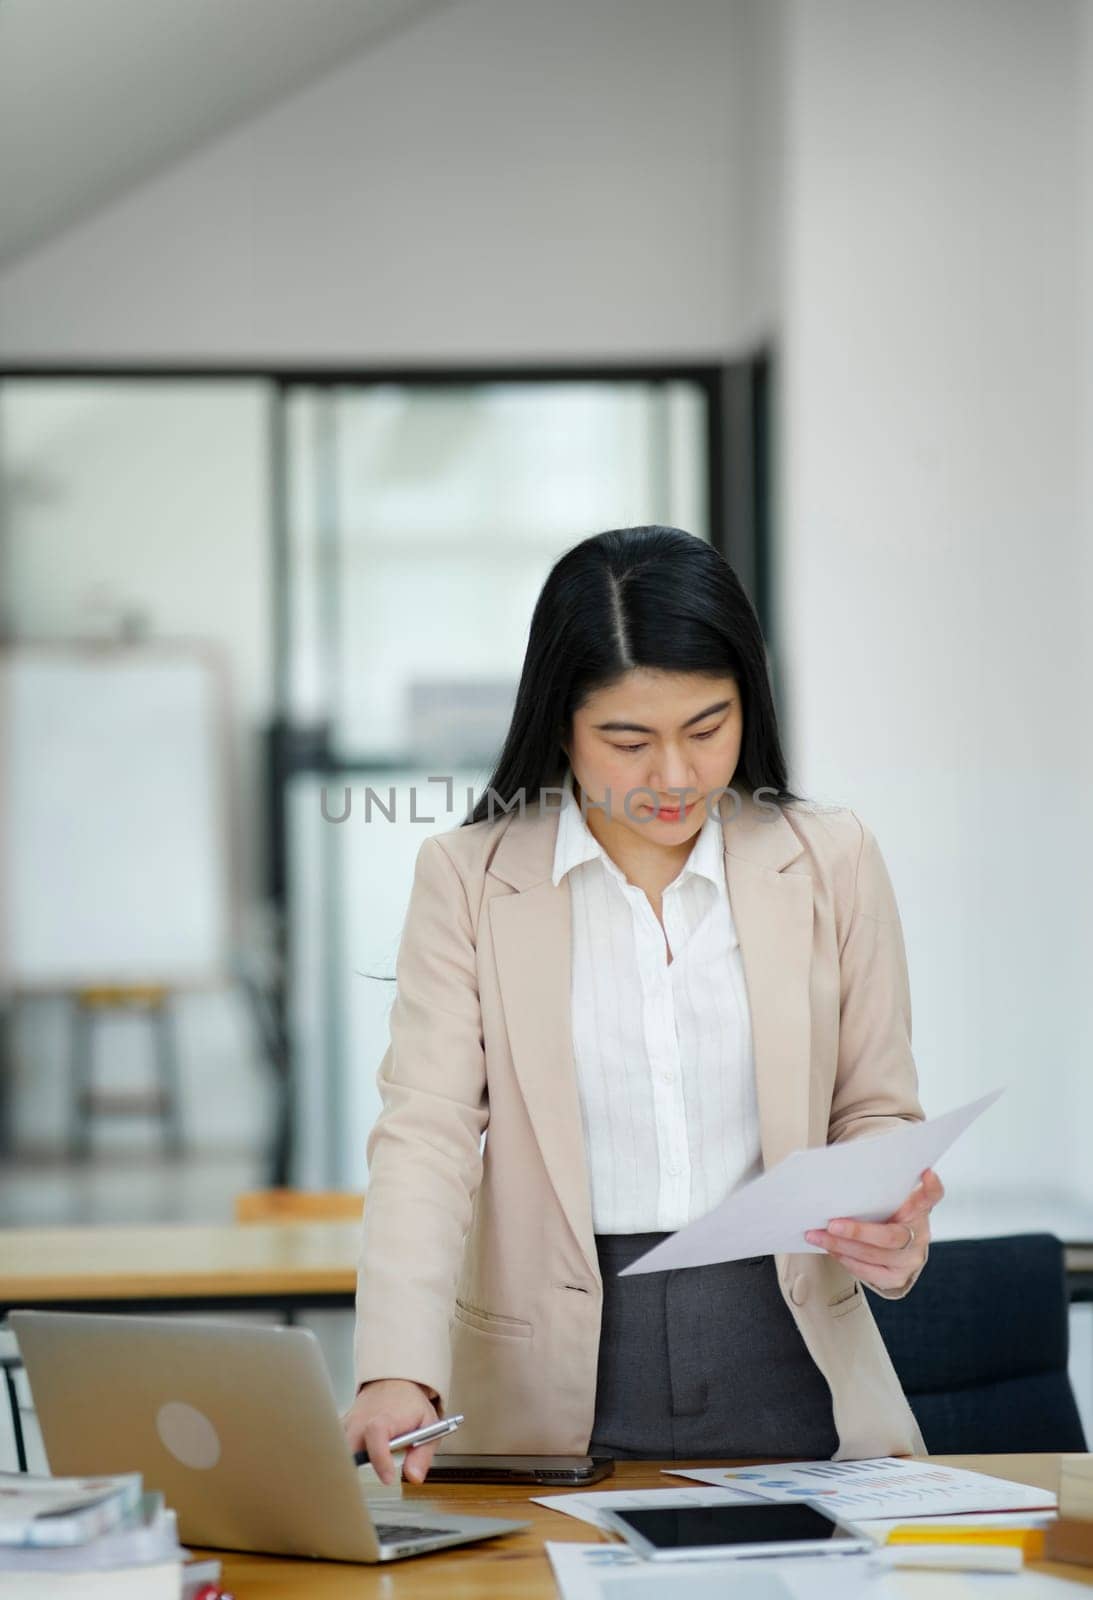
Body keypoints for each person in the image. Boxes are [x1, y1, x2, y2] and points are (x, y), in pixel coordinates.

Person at [342, 524, 943, 1487]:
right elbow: (427, 1133)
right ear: (561, 725)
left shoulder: (830, 858)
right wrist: (395, 1369)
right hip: (550, 1384)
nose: (673, 776)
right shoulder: (468, 876)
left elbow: (875, 1106)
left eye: (707, 729)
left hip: (789, 1359)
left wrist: (893, 1219)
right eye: (627, 740)